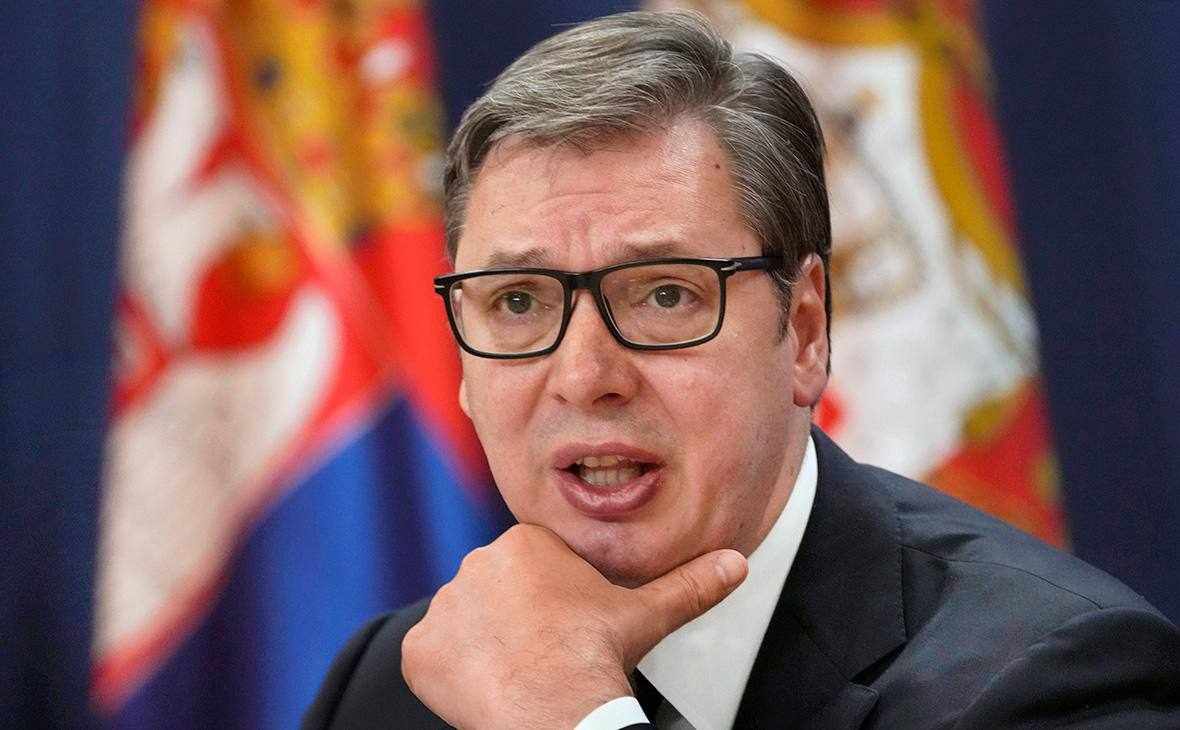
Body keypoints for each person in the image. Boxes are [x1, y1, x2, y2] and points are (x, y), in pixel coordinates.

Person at [303, 10, 1180, 730]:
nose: (583, 375)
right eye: (519, 302)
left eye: (665, 295)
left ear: (804, 331)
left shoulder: (1047, 683)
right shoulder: (396, 686)